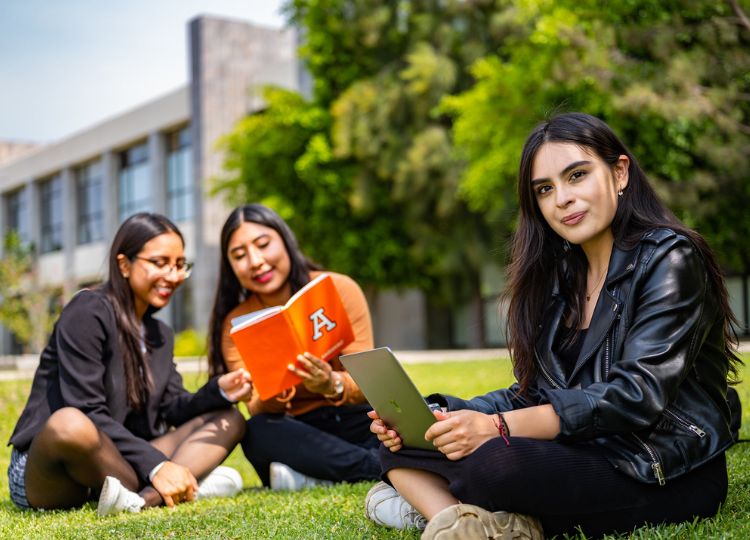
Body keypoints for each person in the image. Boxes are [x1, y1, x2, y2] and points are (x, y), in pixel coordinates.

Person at [365, 113, 741, 539]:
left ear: (620, 172)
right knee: (404, 445)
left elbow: (636, 395)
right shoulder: (561, 277)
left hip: (662, 466)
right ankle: (461, 524)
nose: (562, 199)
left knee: (495, 465)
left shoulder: (671, 258)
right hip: (585, 450)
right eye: (545, 189)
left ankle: (442, 510)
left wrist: (496, 428)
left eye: (576, 175)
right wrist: (446, 415)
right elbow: (533, 393)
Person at [7, 213, 252, 516]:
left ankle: (146, 497)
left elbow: (173, 406)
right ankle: (183, 480)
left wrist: (219, 391)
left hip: (119, 461)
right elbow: (86, 409)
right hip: (56, 467)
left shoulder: (159, 334)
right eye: (160, 263)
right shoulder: (88, 310)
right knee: (69, 423)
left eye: (179, 265)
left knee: (230, 418)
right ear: (124, 264)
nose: (173, 275)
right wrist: (158, 465)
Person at [207, 203, 381, 490]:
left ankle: (314, 476)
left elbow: (367, 383)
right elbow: (256, 406)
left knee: (422, 409)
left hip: (356, 418)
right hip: (297, 429)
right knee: (257, 433)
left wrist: (331, 383)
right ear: (231, 267)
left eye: (263, 245)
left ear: (285, 241)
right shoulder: (235, 323)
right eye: (239, 255)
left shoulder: (338, 288)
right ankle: (378, 467)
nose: (255, 261)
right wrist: (276, 384)